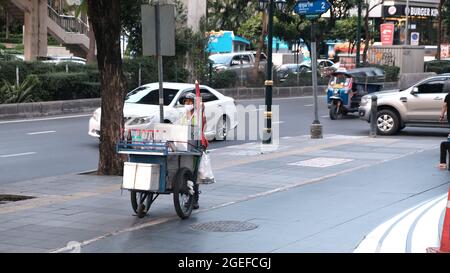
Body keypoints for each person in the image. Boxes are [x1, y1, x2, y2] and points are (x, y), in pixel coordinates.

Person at [178, 92, 208, 209]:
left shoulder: (198, 115)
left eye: (190, 102)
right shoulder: (183, 116)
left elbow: (202, 123)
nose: (187, 104)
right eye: (186, 102)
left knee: (194, 173)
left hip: (197, 146)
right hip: (184, 145)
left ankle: (194, 199)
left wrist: (201, 109)